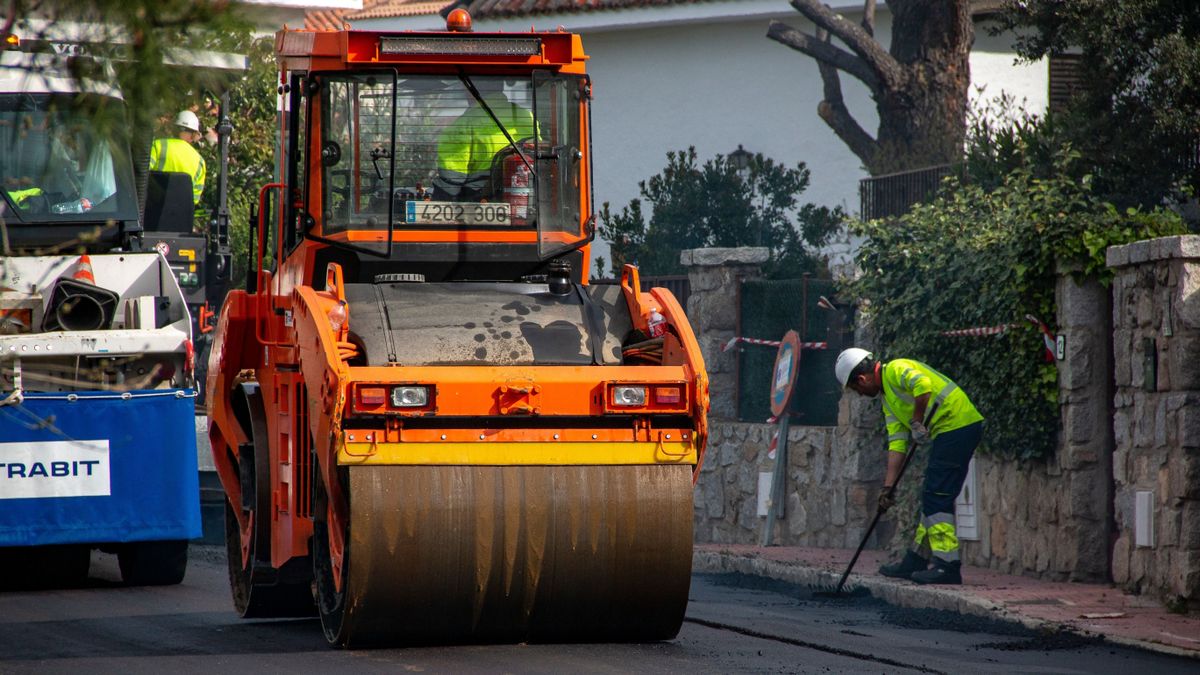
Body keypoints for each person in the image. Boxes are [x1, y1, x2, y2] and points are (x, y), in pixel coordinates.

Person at [834, 347, 984, 585]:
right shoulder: (888, 401)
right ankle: (916, 560)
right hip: (951, 429)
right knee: (933, 495)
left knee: (937, 495)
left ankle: (947, 566)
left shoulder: (896, 369)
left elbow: (922, 385)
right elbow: (897, 444)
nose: (860, 394)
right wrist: (888, 488)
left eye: (856, 389)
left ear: (861, 379)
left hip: (958, 425)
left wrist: (916, 420)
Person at [431, 81, 534, 201]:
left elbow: (450, 184)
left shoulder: (462, 126)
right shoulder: (526, 116)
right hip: (526, 203)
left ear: (469, 91)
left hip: (478, 205)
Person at [149, 110, 206, 205]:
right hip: (179, 216)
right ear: (193, 134)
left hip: (151, 209)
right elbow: (194, 199)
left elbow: (142, 174)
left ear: (174, 128)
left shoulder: (158, 145)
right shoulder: (199, 161)